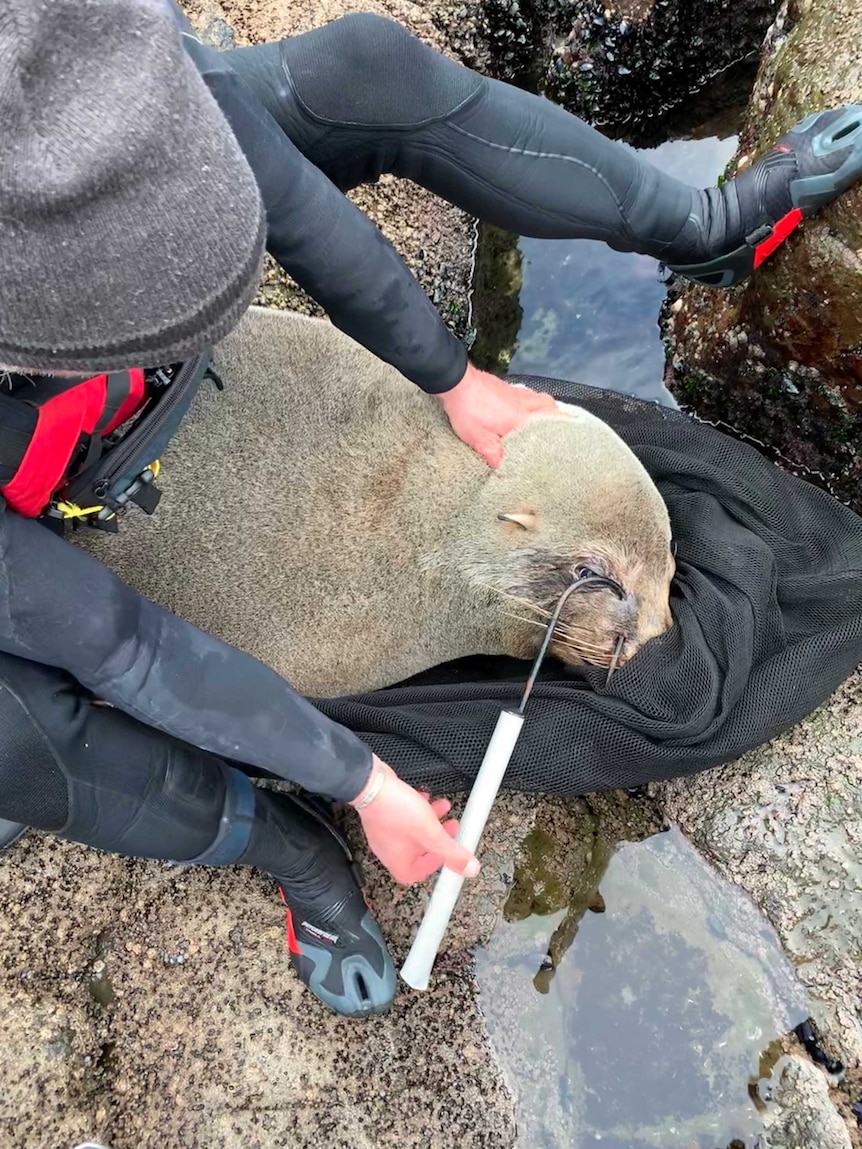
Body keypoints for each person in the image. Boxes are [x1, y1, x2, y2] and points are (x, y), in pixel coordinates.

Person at [0, 0, 859, 1020]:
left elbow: (280, 187)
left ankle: (707, 232)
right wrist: (361, 784)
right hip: (38, 480)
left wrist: (448, 376)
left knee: (362, 67)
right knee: (16, 740)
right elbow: (121, 643)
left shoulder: (80, 59)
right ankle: (290, 851)